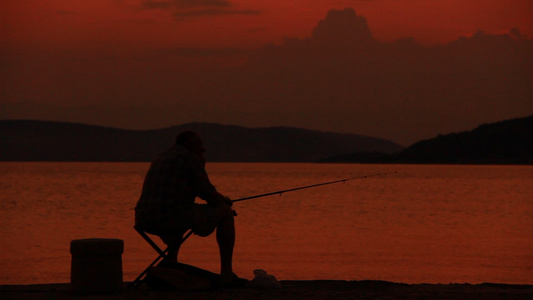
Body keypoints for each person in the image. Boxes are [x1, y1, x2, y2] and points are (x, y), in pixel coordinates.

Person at [135, 130, 246, 286]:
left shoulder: (162, 156)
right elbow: (208, 194)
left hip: (144, 218)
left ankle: (171, 264)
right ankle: (227, 273)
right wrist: (225, 201)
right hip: (168, 217)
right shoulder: (189, 158)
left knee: (181, 213)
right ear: (190, 145)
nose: (203, 150)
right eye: (200, 146)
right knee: (226, 213)